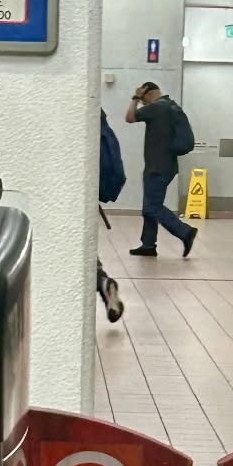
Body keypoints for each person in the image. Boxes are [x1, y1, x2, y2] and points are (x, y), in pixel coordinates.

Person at [125, 82, 196, 258]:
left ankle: (185, 232)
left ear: (148, 94)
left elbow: (129, 117)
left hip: (156, 167)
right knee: (149, 205)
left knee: (152, 207)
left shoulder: (157, 107)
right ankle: (148, 244)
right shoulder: (171, 106)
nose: (143, 105)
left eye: (143, 100)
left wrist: (135, 98)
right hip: (167, 165)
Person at [96, 107, 125, 322]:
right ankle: (103, 282)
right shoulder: (103, 129)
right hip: (86, 198)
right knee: (79, 253)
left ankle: (102, 281)